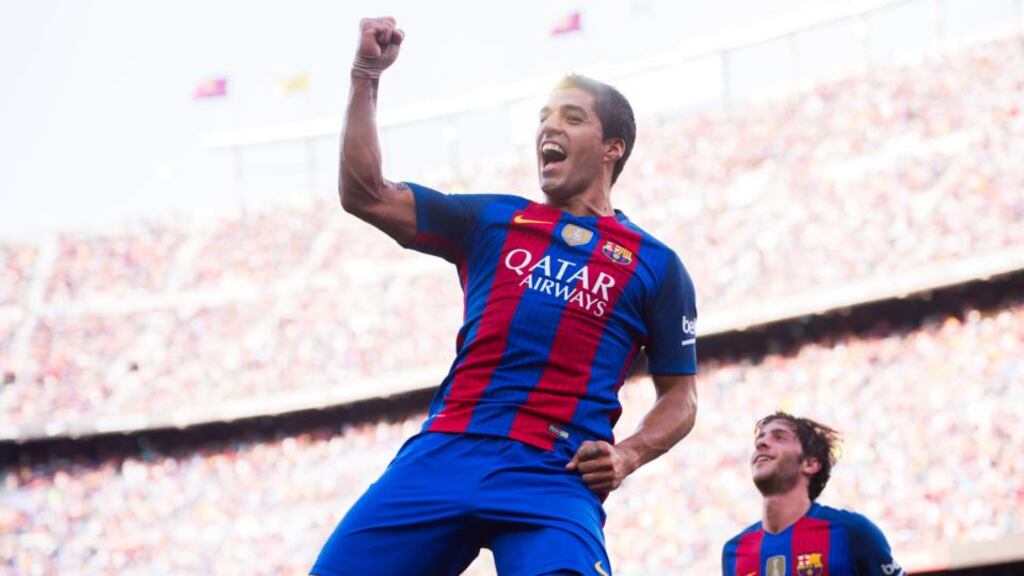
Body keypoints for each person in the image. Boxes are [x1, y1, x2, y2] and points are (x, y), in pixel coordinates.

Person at [312, 17, 699, 576]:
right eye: (544, 117)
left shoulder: (656, 266)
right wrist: (365, 75)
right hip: (447, 449)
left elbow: (680, 399)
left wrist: (629, 453)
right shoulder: (493, 219)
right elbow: (365, 194)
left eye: (572, 116)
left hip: (554, 472)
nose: (550, 126)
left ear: (613, 147)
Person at [722, 412, 905, 576]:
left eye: (779, 437)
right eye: (759, 440)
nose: (761, 443)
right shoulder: (734, 551)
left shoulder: (852, 531)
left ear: (810, 464)